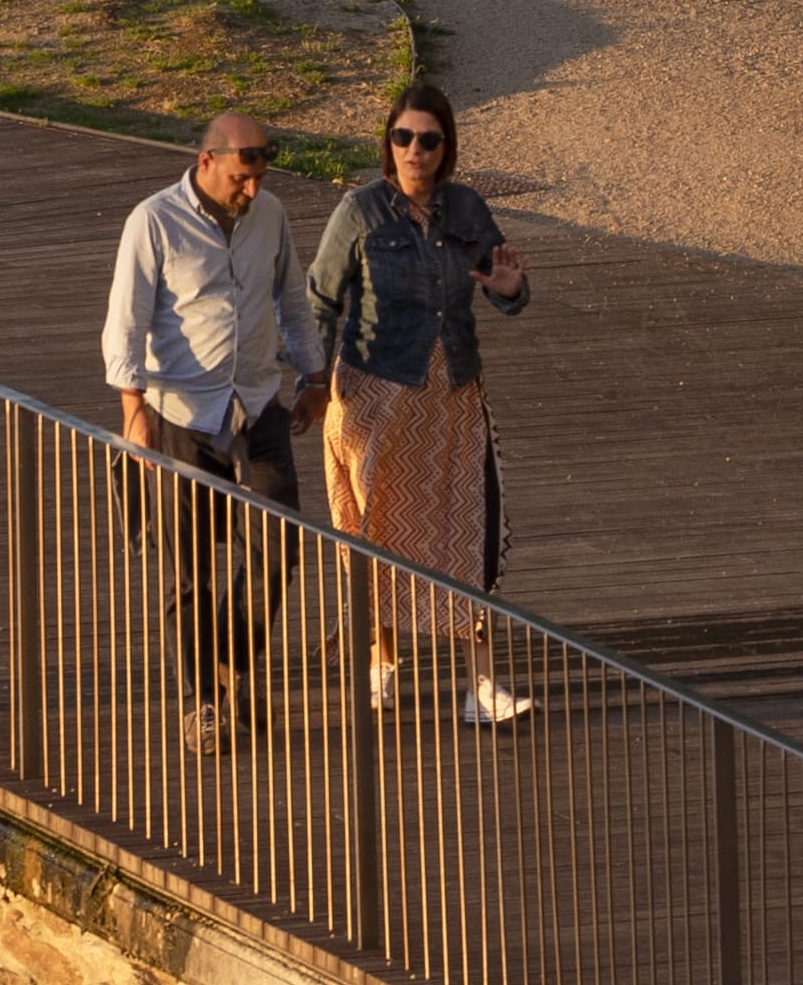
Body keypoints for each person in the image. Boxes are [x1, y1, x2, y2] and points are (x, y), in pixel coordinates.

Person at [307, 79, 535, 729]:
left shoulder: (467, 209)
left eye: (428, 140)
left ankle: (481, 687)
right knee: (377, 531)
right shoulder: (359, 211)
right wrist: (313, 383)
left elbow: (504, 285)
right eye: (403, 137)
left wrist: (511, 290)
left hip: (451, 396)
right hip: (374, 395)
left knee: (468, 532)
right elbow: (320, 298)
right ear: (389, 142)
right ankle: (381, 663)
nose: (415, 150)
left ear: (445, 147)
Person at [103, 113, 319, 755]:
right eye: (239, 180)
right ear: (206, 163)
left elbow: (292, 299)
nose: (251, 191)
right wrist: (134, 411)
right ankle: (202, 701)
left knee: (278, 550)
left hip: (256, 404)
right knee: (188, 572)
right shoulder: (153, 221)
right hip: (180, 414)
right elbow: (125, 321)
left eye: (258, 179)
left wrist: (315, 375)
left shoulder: (269, 215)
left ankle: (231, 664)